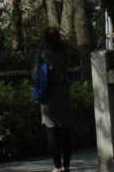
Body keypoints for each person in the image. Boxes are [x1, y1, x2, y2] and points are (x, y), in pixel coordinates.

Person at [33, 27, 74, 172]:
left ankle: (57, 167)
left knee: (52, 132)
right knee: (66, 132)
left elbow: (36, 76)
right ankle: (66, 165)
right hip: (63, 95)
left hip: (48, 96)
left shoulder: (42, 54)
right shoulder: (63, 54)